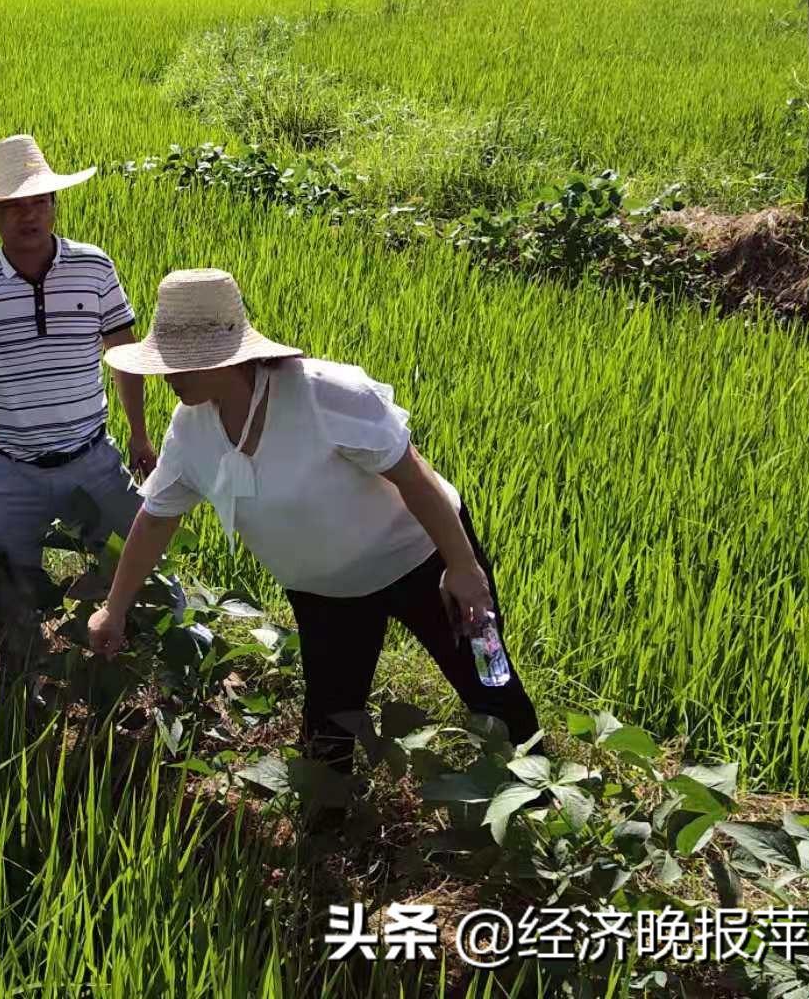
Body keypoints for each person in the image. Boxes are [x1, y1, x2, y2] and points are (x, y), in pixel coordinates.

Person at [84, 268, 543, 782]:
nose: (166, 376)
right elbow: (155, 520)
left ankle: (543, 807)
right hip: (325, 593)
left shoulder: (326, 395)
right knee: (329, 720)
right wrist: (113, 609)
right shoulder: (191, 430)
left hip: (423, 562)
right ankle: (327, 827)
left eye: (180, 364)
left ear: (226, 358)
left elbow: (415, 478)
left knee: (489, 685)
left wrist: (462, 566)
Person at [0, 134, 154, 677]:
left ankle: (138, 668)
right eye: (13, 206)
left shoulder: (95, 268)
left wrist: (140, 437)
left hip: (91, 457)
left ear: (54, 205)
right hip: (8, 467)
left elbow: (125, 358)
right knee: (4, 580)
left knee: (142, 563)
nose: (29, 215)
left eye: (39, 201)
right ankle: (21, 676)